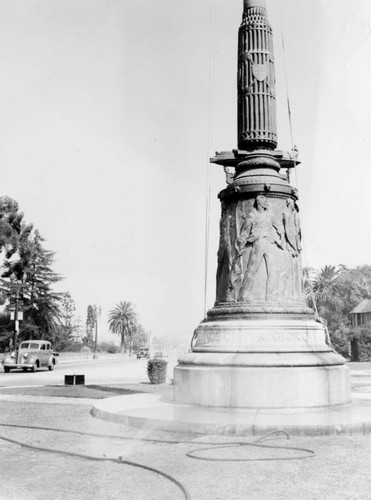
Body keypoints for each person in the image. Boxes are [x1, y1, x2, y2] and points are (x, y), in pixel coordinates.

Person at [237, 195, 283, 302]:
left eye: (267, 201)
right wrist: (241, 244)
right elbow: (244, 232)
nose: (267, 203)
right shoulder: (252, 215)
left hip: (270, 242)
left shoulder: (270, 215)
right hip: (259, 242)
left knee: (273, 270)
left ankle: (270, 296)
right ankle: (244, 295)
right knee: (252, 268)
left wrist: (280, 236)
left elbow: (280, 227)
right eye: (265, 201)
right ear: (259, 203)